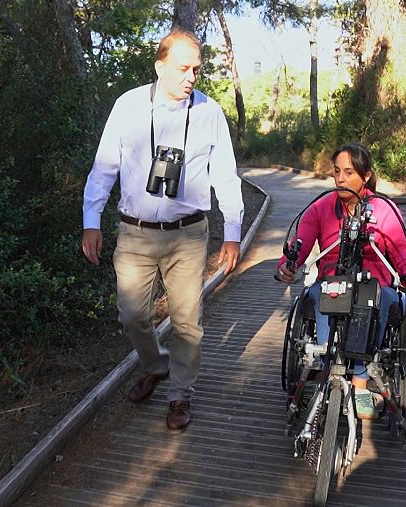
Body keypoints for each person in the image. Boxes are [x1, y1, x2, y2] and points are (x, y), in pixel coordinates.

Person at [81, 29, 244, 431]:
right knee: (132, 315)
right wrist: (91, 220)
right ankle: (156, 365)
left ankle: (180, 394)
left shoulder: (208, 112)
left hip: (189, 235)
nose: (191, 77)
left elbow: (226, 176)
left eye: (197, 70)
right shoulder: (128, 106)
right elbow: (104, 167)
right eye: (183, 68)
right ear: (160, 66)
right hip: (135, 233)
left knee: (187, 320)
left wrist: (233, 231)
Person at [275, 142, 406, 419]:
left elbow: (402, 251)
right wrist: (288, 264)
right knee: (322, 294)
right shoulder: (320, 208)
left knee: (374, 299)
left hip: (376, 288)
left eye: (349, 172)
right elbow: (300, 244)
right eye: (337, 172)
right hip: (331, 285)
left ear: (365, 176)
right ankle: (325, 365)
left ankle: (359, 384)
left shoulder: (384, 210)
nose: (341, 179)